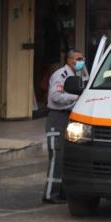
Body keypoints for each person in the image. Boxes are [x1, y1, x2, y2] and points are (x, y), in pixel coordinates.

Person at [44, 50, 88, 204]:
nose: (81, 61)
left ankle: (61, 192)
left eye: (82, 58)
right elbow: (55, 97)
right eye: (78, 58)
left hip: (69, 118)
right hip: (57, 118)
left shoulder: (77, 75)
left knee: (65, 157)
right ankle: (50, 194)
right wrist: (76, 97)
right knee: (56, 157)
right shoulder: (61, 75)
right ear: (69, 60)